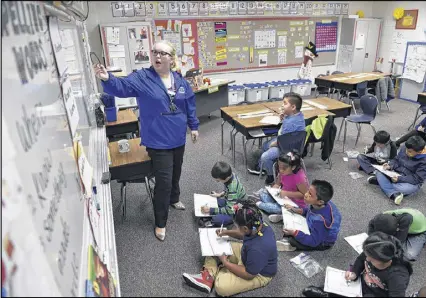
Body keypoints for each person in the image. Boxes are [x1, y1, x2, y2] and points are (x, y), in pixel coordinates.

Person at [93, 41, 200, 241]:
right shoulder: (143, 78)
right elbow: (122, 86)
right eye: (155, 52)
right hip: (158, 141)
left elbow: (189, 105)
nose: (157, 56)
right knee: (164, 182)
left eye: (163, 53)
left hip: (178, 137)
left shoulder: (180, 81)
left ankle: (174, 199)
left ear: (171, 58)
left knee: (177, 171)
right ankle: (160, 222)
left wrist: (193, 126)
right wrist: (108, 79)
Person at [182, 203, 277, 296]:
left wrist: (226, 263)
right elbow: (242, 234)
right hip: (248, 253)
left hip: (258, 274)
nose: (236, 228)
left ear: (244, 228)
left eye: (237, 227)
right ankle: (208, 277)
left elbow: (249, 274)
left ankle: (213, 273)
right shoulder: (257, 225)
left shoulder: (258, 248)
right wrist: (226, 232)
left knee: (221, 287)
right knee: (216, 246)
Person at [302, 232, 413, 297]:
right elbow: (360, 260)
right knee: (335, 288)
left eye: (371, 259)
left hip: (374, 294)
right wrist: (354, 273)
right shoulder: (373, 251)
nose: (367, 259)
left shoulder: (397, 276)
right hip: (359, 283)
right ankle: (326, 293)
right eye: (366, 254)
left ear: (385, 260)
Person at [249, 92, 305, 185]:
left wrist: (274, 144)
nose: (282, 105)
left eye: (285, 103)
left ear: (293, 107)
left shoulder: (290, 123)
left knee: (265, 156)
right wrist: (285, 117)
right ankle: (262, 166)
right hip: (293, 143)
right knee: (265, 145)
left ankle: (270, 176)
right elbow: (288, 134)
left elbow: (283, 141)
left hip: (287, 148)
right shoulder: (298, 116)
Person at [276, 180, 341, 252]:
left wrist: (295, 233)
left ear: (320, 202)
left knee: (293, 240)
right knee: (294, 215)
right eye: (308, 191)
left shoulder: (321, 221)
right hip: (314, 227)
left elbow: (314, 242)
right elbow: (309, 210)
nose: (306, 195)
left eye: (310, 194)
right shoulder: (320, 203)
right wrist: (296, 210)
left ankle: (291, 245)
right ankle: (286, 219)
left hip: (322, 242)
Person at [252, 150, 309, 222]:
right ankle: (284, 214)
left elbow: (304, 195)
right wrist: (273, 190)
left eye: (284, 168)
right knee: (264, 193)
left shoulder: (300, 177)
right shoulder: (283, 172)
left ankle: (258, 204)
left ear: (293, 167)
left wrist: (286, 193)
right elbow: (278, 184)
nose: (281, 170)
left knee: (276, 208)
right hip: (283, 198)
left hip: (295, 204)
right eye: (279, 167)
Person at [368, 135, 426, 205]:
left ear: (419, 152)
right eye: (406, 150)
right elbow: (396, 159)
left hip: (411, 181)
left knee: (402, 188)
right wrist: (390, 165)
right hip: (396, 173)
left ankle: (382, 183)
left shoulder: (424, 161)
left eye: (410, 152)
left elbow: (417, 179)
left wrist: (399, 179)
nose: (407, 152)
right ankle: (392, 193)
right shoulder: (406, 148)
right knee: (379, 171)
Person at [200, 161, 246, 227]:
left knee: (217, 219)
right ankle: (212, 215)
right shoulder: (231, 174)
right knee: (215, 202)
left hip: (237, 210)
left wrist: (211, 210)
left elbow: (230, 210)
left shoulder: (233, 189)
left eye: (218, 180)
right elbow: (227, 189)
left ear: (226, 178)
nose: (217, 181)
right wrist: (220, 194)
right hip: (231, 200)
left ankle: (215, 220)